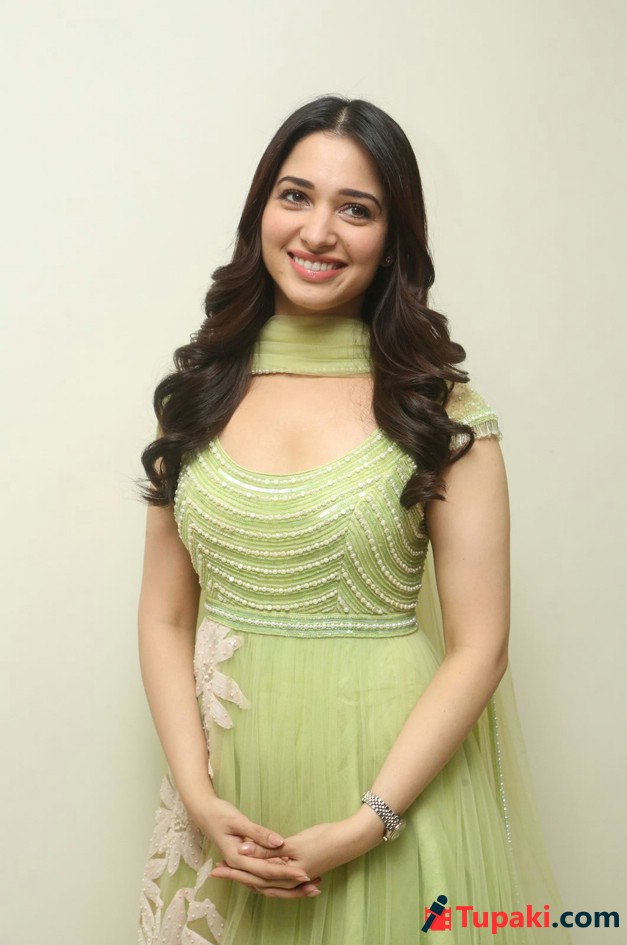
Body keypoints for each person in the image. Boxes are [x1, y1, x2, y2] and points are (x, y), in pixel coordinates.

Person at [136, 95, 570, 944]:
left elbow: (481, 646)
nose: (318, 231)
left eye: (357, 209)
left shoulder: (439, 411)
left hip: (388, 795)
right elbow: (164, 616)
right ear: (261, 210)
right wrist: (198, 796)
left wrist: (368, 823)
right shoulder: (197, 396)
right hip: (227, 798)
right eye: (295, 195)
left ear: (394, 238)